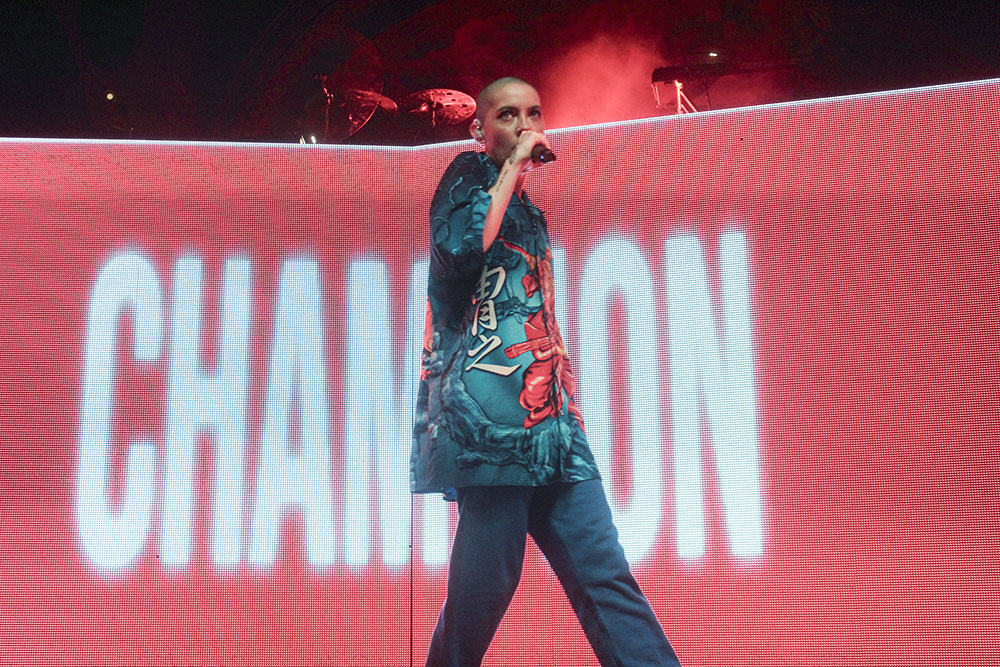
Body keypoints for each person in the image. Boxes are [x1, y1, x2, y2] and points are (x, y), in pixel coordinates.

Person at [410, 77, 682, 667]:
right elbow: (460, 253)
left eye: (533, 113)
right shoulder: (466, 174)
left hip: (552, 421)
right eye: (507, 115)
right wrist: (512, 168)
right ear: (479, 129)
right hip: (492, 420)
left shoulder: (528, 210)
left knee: (604, 572)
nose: (523, 125)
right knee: (484, 588)